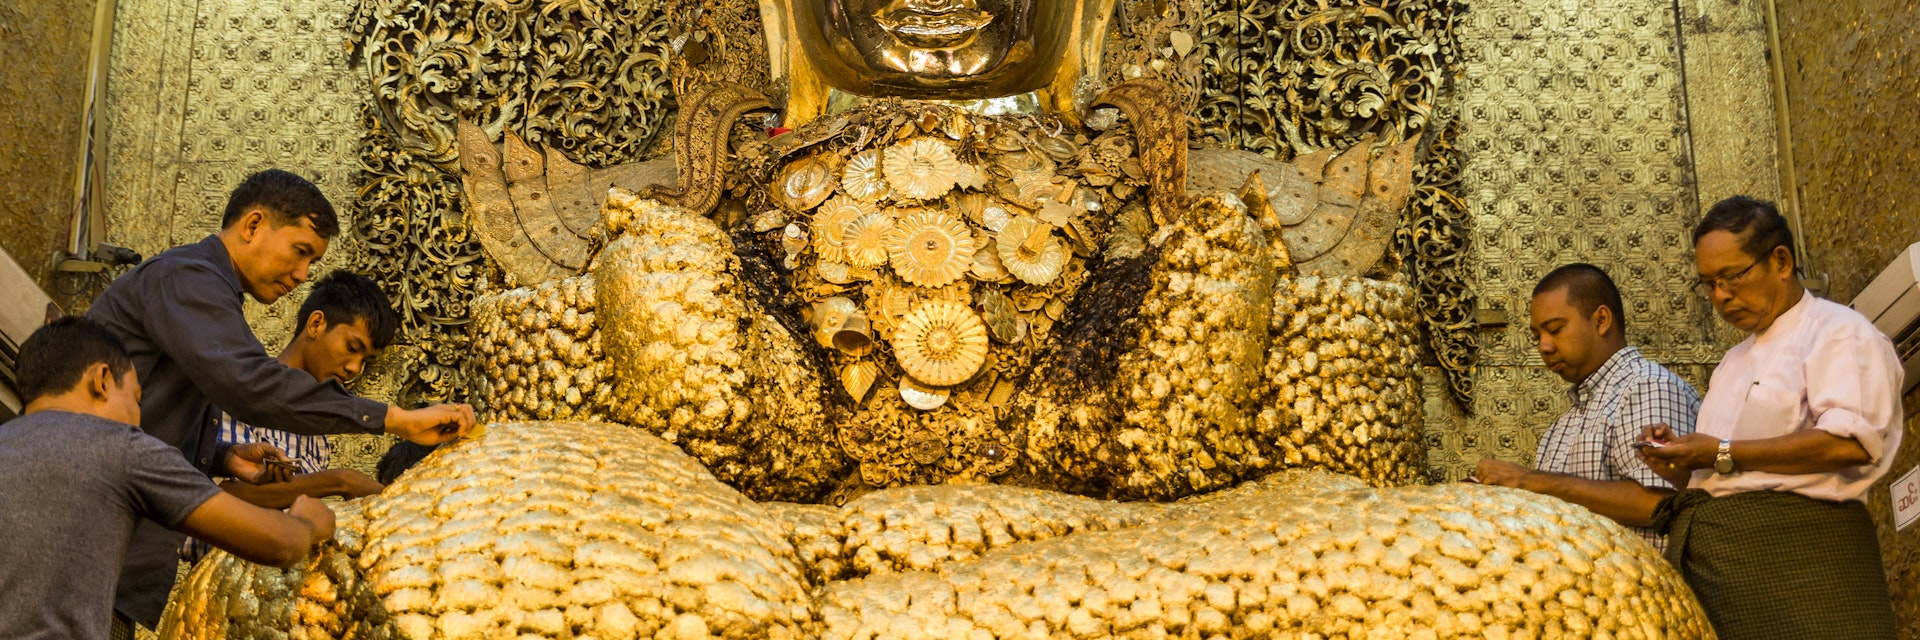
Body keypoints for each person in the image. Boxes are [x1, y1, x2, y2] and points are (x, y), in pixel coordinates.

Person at [86, 169, 476, 629]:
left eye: (312, 262)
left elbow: (152, 424)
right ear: (253, 225)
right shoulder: (186, 278)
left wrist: (222, 454)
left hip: (115, 560)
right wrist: (394, 420)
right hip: (88, 537)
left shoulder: (209, 292)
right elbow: (250, 385)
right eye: (300, 251)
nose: (302, 274)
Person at [1639, 196, 1901, 639]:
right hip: (1724, 565)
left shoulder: (1838, 331)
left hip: (1804, 560)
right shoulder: (1732, 363)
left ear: (1781, 261)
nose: (1721, 296)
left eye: (1732, 277)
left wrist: (1719, 451)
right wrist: (1679, 464)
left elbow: (1849, 443)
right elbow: (1726, 476)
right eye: (1708, 284)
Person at [0, 317, 336, 640]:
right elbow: (280, 543)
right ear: (101, 380)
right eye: (136, 399)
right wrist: (307, 522)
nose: (137, 419)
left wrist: (222, 456)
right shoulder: (123, 448)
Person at [1472, 264, 1700, 550]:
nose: (1544, 346)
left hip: (1636, 576)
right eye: (1536, 336)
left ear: (1601, 320)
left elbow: (1663, 505)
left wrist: (1531, 481)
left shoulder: (1647, 386)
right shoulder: (1563, 425)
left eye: (1555, 329)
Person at [180, 271, 394, 562]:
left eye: (365, 360)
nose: (354, 368)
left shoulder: (318, 441)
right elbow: (211, 502)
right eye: (352, 348)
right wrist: (339, 481)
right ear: (316, 324)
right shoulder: (238, 395)